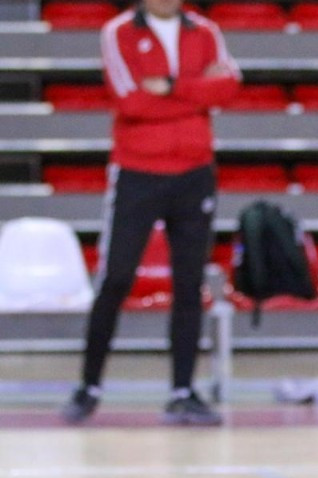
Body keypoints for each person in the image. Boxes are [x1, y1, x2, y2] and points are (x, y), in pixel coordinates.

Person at [61, 0, 240, 425]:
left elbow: (230, 86)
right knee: (117, 276)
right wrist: (197, 91)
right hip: (138, 172)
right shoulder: (118, 32)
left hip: (194, 171)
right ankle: (89, 386)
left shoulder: (206, 31)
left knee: (189, 282)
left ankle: (183, 391)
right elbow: (131, 102)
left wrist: (173, 84)